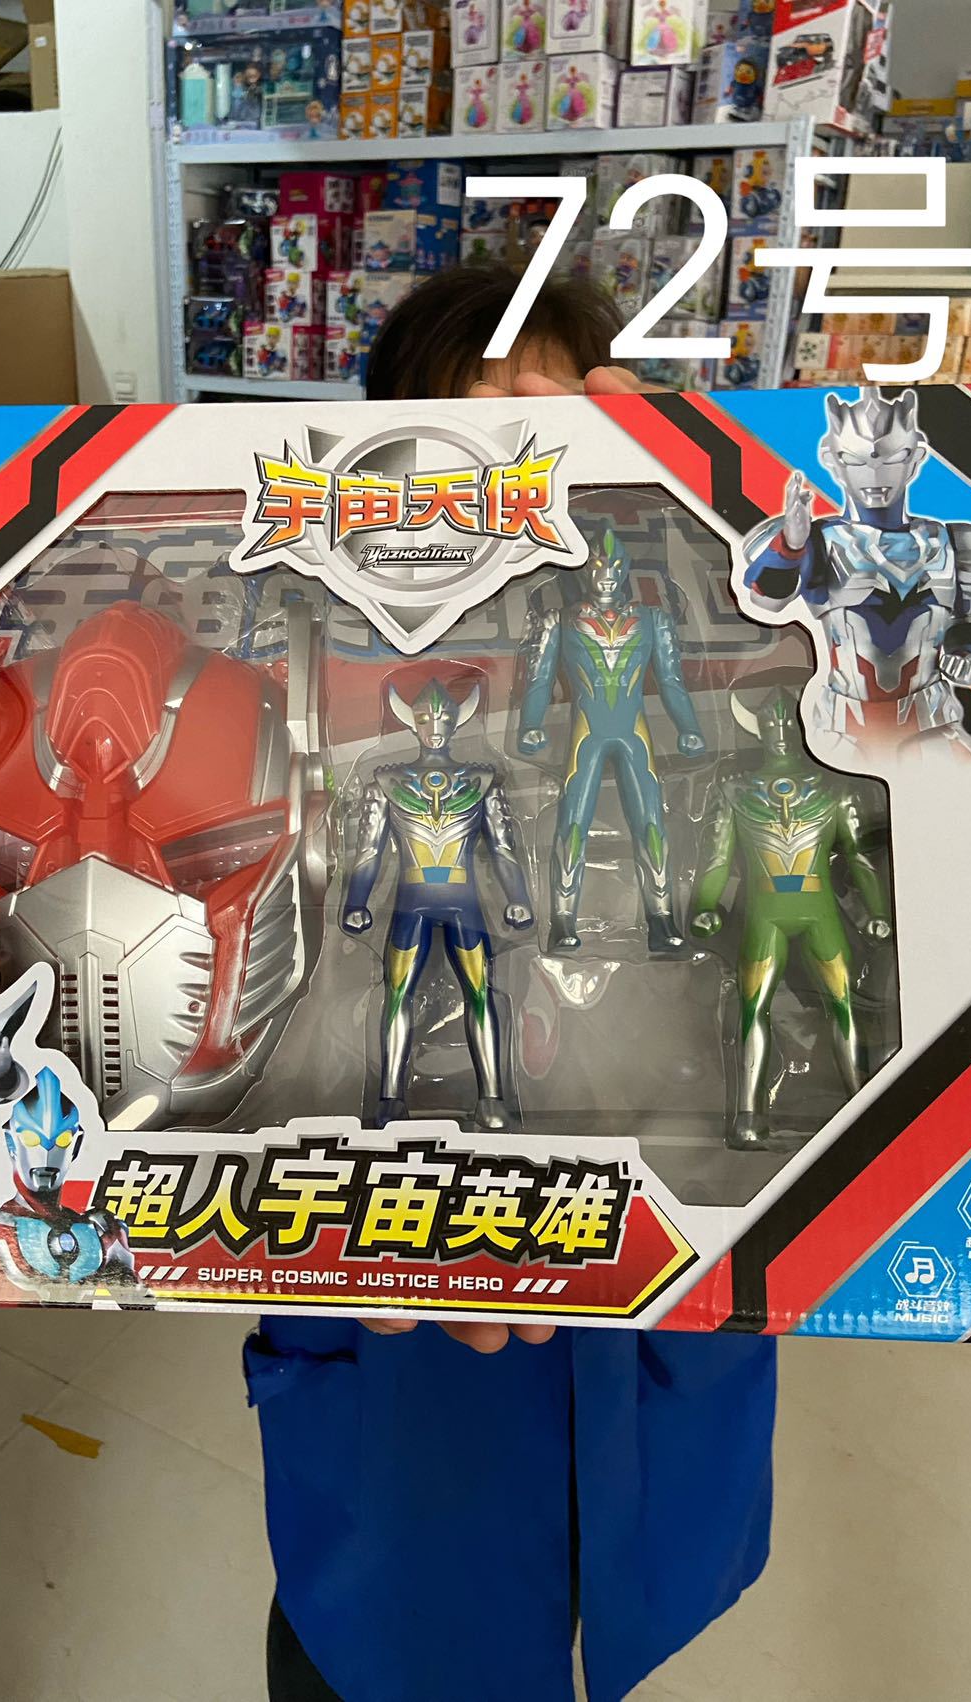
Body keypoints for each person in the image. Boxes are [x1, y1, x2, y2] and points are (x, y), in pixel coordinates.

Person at [245, 265, 777, 1702]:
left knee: (614, 1601)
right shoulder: (325, 729)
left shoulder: (710, 657)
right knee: (389, 1616)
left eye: (541, 434)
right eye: (457, 440)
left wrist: (722, 516)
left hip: (655, 1367)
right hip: (394, 1370)